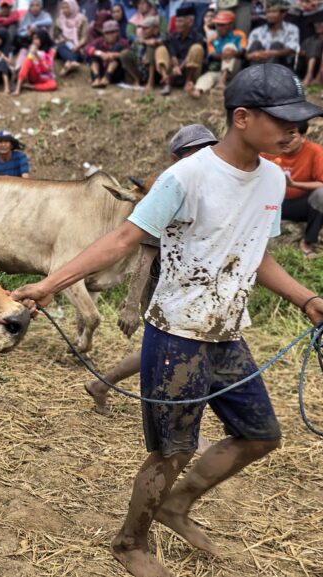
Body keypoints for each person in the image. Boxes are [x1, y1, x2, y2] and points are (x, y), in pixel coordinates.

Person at [11, 63, 323, 577]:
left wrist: (307, 299)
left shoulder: (271, 181)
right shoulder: (185, 176)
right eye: (283, 120)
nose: (294, 131)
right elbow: (124, 238)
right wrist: (47, 284)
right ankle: (130, 541)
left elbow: (256, 256)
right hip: (176, 336)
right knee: (171, 450)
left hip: (227, 334)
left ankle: (176, 505)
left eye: (299, 121)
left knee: (260, 435)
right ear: (242, 117)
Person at [84, 124, 218, 416]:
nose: (205, 157)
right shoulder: (169, 192)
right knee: (171, 350)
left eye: (208, 150)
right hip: (162, 287)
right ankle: (173, 417)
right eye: (196, 152)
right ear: (178, 158)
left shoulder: (213, 190)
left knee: (163, 349)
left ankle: (103, 385)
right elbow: (145, 256)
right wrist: (131, 306)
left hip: (194, 288)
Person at [261, 120, 323, 256]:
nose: (286, 140)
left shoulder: (315, 151)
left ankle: (307, 241)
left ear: (303, 137)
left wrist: (293, 184)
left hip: (298, 205)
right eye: (282, 134)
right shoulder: (268, 149)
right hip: (271, 204)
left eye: (292, 135)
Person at [157, 5, 205, 96]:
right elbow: (172, 54)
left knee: (196, 49)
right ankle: (166, 82)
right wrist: (175, 66)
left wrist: (179, 68)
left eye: (180, 21)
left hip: (190, 71)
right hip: (173, 74)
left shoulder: (198, 37)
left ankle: (188, 82)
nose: (177, 24)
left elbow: (190, 57)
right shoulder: (173, 36)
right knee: (160, 49)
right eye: (176, 21)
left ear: (190, 22)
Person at [194, 9, 244, 94]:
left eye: (222, 25)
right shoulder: (212, 37)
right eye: (217, 24)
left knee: (230, 47)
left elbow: (242, 52)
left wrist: (231, 52)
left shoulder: (239, 34)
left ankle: (222, 81)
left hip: (234, 70)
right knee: (207, 77)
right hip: (216, 69)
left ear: (231, 25)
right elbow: (212, 54)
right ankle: (197, 91)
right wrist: (223, 54)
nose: (218, 27)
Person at [246, 0, 299, 68]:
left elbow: (291, 50)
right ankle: (256, 77)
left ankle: (270, 77)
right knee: (256, 44)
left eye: (274, 12)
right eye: (268, 12)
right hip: (259, 63)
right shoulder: (257, 31)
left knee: (276, 45)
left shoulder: (292, 28)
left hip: (281, 67)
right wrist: (253, 55)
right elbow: (247, 54)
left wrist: (270, 53)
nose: (270, 15)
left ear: (283, 14)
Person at [120, 14, 165, 89]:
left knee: (151, 48)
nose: (143, 31)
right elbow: (133, 53)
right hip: (140, 70)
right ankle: (136, 79)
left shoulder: (161, 37)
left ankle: (151, 81)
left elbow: (157, 41)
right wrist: (144, 41)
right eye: (142, 28)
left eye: (146, 28)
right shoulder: (139, 40)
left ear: (155, 29)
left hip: (156, 73)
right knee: (124, 54)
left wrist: (147, 43)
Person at [86, 19, 130, 87]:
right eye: (107, 33)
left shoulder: (123, 43)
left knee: (117, 49)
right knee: (93, 56)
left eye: (113, 32)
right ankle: (96, 78)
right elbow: (87, 49)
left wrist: (116, 55)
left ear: (117, 32)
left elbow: (129, 55)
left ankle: (107, 78)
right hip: (101, 71)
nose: (110, 35)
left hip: (115, 73)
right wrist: (100, 54)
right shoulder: (99, 41)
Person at [13, 27, 56, 93]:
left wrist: (37, 56)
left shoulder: (50, 51)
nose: (34, 41)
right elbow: (27, 63)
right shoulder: (32, 49)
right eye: (33, 39)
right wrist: (33, 53)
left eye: (37, 38)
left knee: (53, 85)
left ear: (42, 38)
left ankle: (30, 86)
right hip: (34, 75)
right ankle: (18, 87)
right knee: (27, 60)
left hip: (45, 76)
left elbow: (47, 69)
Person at [298, 9, 323, 86]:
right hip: (306, 67)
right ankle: (309, 75)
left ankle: (317, 77)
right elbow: (300, 53)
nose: (317, 25)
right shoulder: (309, 40)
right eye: (316, 23)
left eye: (321, 23)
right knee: (315, 44)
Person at [55, 0, 88, 74]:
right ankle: (72, 61)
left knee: (74, 50)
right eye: (63, 8)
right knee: (61, 47)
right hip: (64, 48)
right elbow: (55, 38)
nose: (64, 10)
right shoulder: (59, 20)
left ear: (73, 7)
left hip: (79, 49)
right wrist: (60, 41)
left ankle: (68, 63)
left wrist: (78, 46)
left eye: (67, 8)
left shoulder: (82, 19)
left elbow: (84, 38)